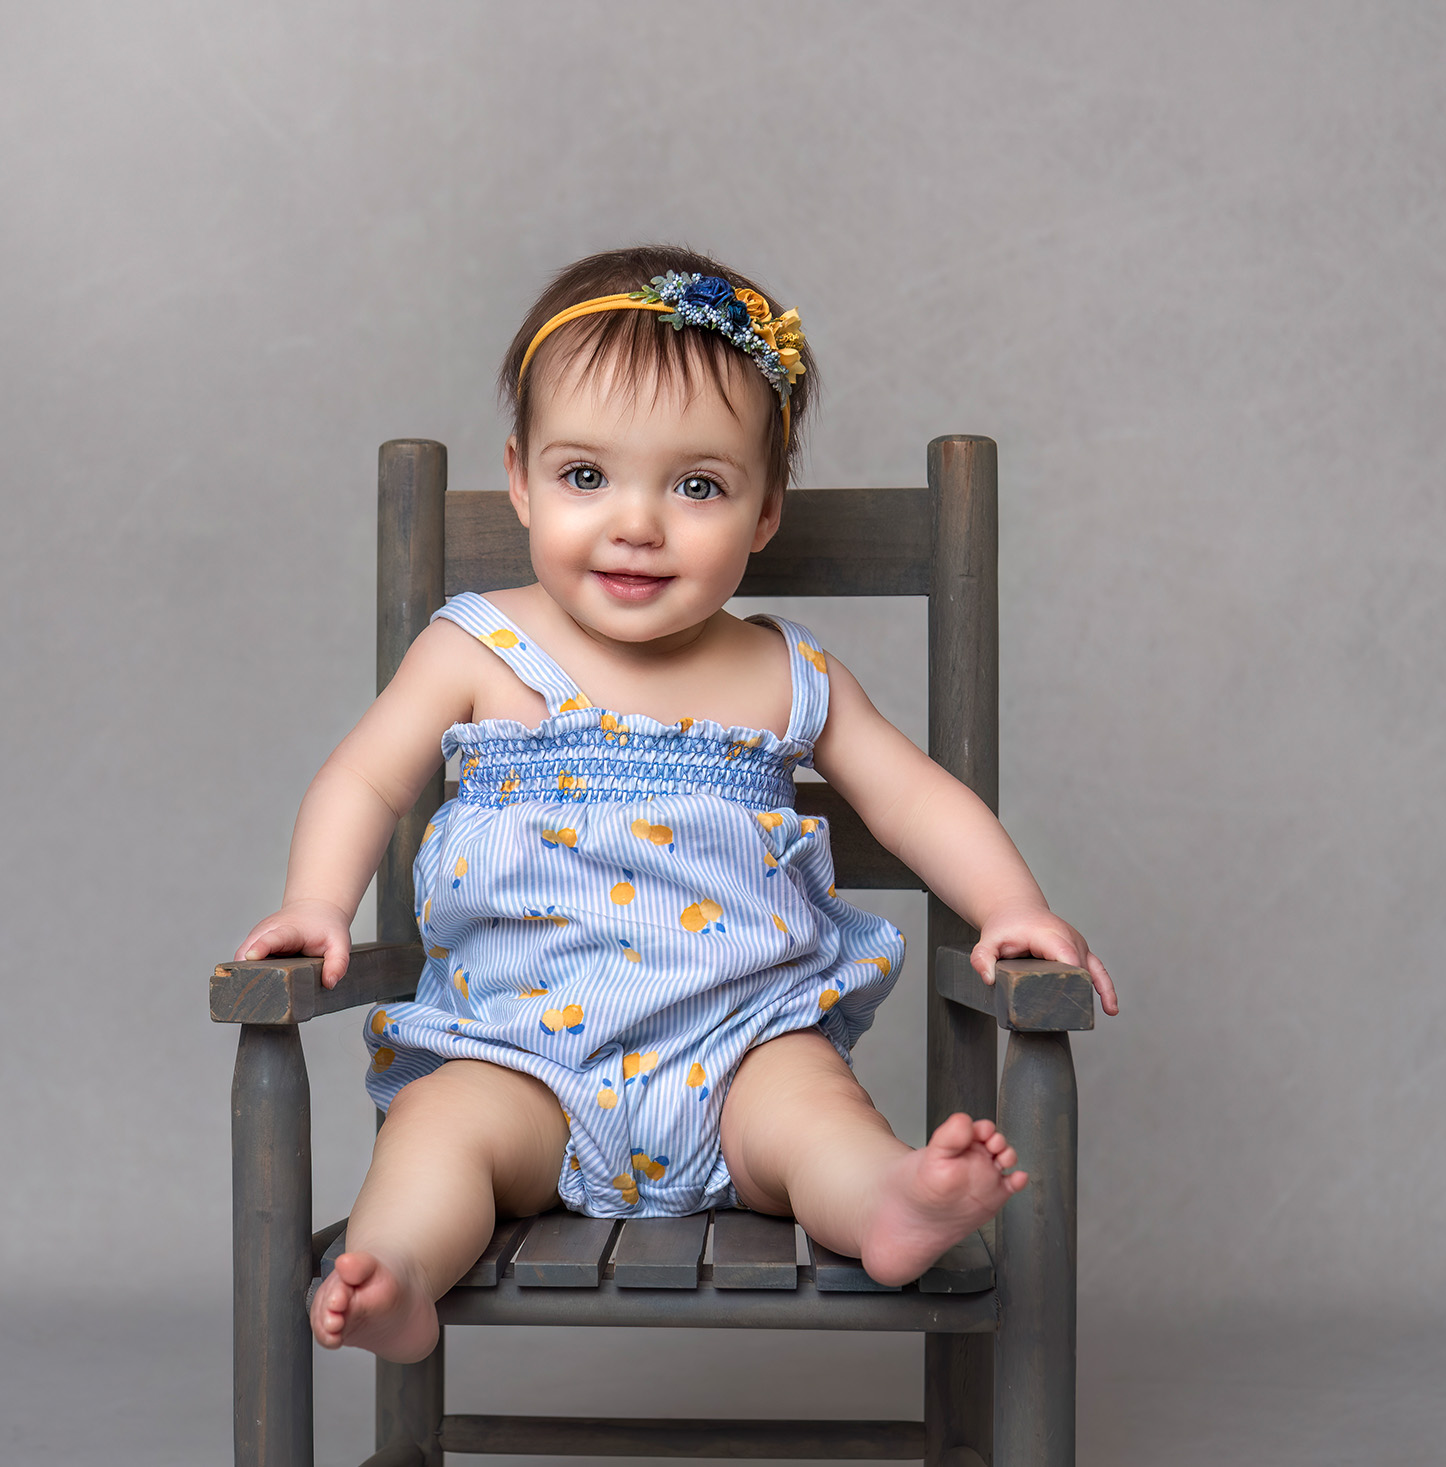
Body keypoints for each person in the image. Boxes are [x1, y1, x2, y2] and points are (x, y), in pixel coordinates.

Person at [235, 245, 1117, 1364]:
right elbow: (362, 777)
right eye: (585, 476)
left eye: (695, 486)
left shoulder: (786, 672)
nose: (636, 523)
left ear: (762, 510)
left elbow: (913, 798)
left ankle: (890, 1205)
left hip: (742, 1045)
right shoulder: (475, 647)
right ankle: (401, 1271)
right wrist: (318, 903)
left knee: (816, 1120)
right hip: (516, 1055)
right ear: (519, 479)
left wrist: (1011, 906)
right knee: (435, 1133)